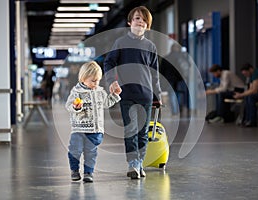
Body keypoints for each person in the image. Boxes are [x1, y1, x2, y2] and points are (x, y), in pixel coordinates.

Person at [104, 6, 162, 179]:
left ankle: (139, 162)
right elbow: (109, 63)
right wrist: (111, 82)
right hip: (126, 94)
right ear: (130, 22)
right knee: (130, 130)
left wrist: (157, 95)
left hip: (145, 95)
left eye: (144, 20)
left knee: (142, 133)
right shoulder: (120, 43)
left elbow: (154, 74)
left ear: (148, 25)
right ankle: (132, 164)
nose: (140, 22)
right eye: (137, 18)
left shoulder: (150, 46)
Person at [65, 61, 122, 182]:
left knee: (91, 153)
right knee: (75, 150)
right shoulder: (76, 92)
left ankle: (88, 173)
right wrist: (76, 107)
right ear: (83, 78)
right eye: (93, 81)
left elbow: (107, 103)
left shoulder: (100, 92)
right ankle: (74, 170)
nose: (96, 83)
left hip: (95, 130)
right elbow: (68, 105)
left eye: (98, 80)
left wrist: (115, 96)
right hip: (79, 129)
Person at [161, 44, 185, 116]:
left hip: (169, 79)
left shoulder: (166, 58)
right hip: (179, 79)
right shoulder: (181, 58)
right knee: (179, 93)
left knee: (172, 94)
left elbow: (161, 70)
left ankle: (175, 110)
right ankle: (179, 108)